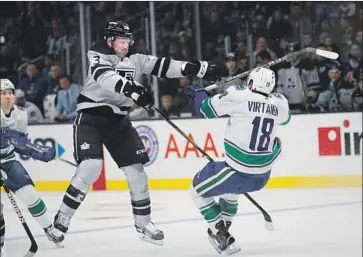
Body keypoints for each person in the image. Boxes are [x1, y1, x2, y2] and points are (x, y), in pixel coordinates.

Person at [53, 21, 220, 245]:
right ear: (110, 41)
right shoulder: (97, 53)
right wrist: (132, 90)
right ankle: (62, 216)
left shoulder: (136, 57)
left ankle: (144, 224)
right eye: (121, 41)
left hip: (118, 118)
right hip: (91, 116)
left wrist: (198, 68)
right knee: (91, 167)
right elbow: (105, 77)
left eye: (128, 41)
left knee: (137, 171)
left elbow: (163, 65)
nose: (125, 45)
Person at [184, 67, 290, 254]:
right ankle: (224, 233)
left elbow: (205, 110)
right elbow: (285, 120)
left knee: (196, 191)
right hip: (263, 176)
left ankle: (219, 231)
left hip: (238, 171)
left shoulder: (239, 96)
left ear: (250, 83)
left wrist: (198, 94)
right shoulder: (279, 103)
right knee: (230, 193)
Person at [0, 79, 64, 255]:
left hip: (8, 160)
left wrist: (39, 151)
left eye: (10, 92)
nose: (7, 96)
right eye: (3, 93)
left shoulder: (20, 114)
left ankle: (48, 228)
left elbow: (20, 143)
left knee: (31, 195)